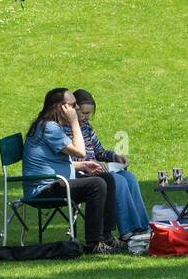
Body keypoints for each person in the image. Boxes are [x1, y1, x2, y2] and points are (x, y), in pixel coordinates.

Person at [22, 88, 124, 254]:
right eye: (72, 105)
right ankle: (94, 243)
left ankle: (106, 236)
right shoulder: (49, 128)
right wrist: (75, 122)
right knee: (97, 184)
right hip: (43, 189)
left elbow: (54, 162)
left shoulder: (51, 126)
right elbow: (80, 151)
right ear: (59, 107)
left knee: (106, 178)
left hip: (55, 180)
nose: (76, 109)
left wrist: (83, 166)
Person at [65, 89, 151, 239]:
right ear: (74, 109)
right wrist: (91, 163)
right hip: (83, 172)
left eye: (89, 113)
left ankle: (143, 227)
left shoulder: (87, 127)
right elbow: (69, 160)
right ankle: (128, 231)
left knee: (129, 177)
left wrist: (115, 156)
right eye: (83, 113)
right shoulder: (65, 129)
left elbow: (99, 151)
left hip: (97, 168)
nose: (86, 117)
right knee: (119, 180)